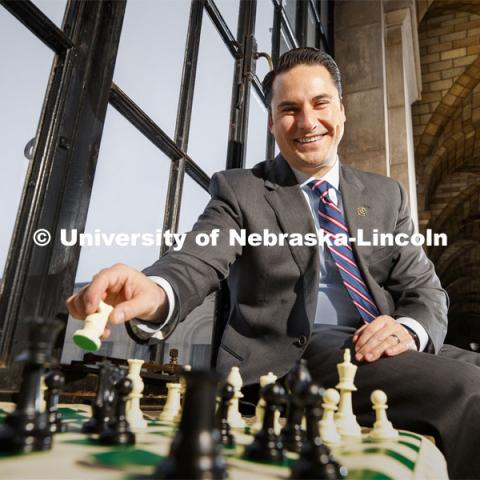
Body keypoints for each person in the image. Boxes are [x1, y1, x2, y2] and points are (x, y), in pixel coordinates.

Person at [67, 48, 480, 478]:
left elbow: (426, 291)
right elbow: (197, 260)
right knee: (468, 392)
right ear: (272, 121)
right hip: (297, 353)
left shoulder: (385, 195)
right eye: (289, 109)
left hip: (383, 346)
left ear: (341, 110)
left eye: (320, 103)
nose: (306, 122)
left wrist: (408, 329)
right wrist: (156, 290)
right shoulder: (241, 190)